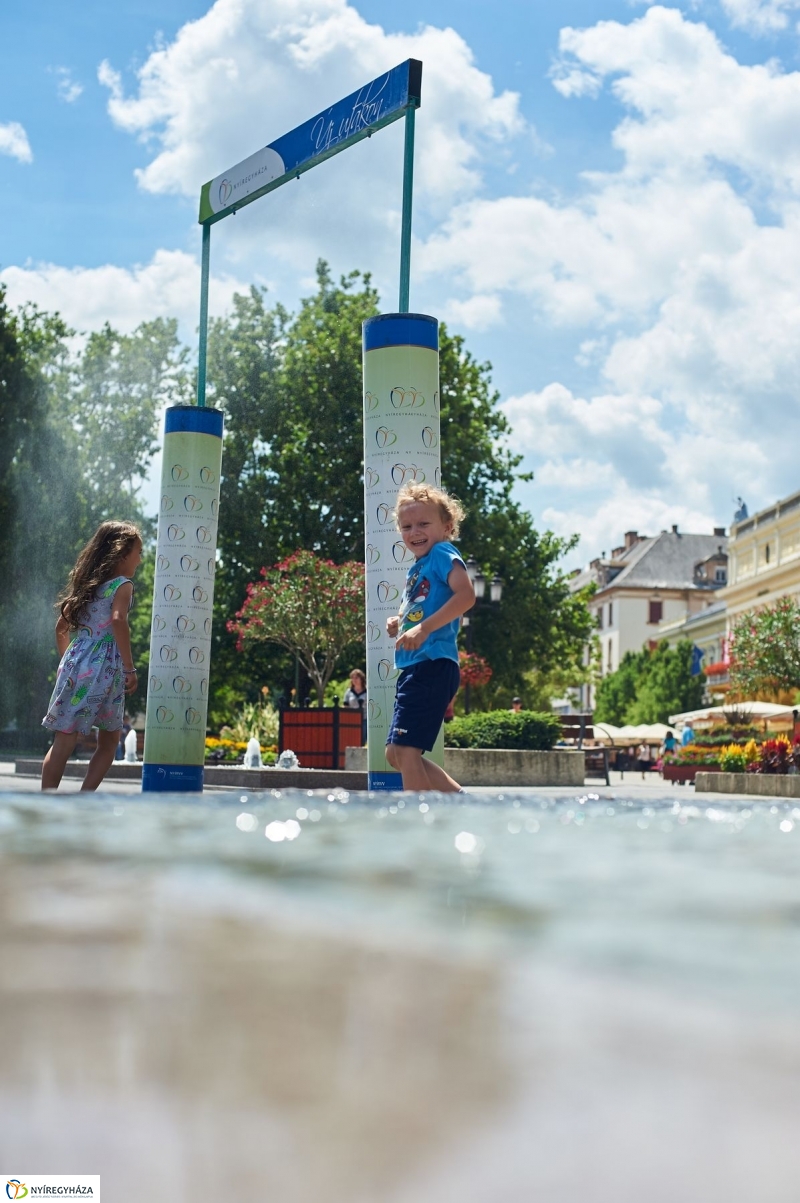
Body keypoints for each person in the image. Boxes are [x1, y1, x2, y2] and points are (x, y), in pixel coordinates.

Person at [385, 483, 475, 792]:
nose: (414, 531)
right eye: (407, 526)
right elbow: (428, 605)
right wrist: (403, 622)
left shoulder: (442, 552)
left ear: (447, 527)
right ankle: (459, 800)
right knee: (394, 753)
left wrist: (423, 629)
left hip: (432, 665)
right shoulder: (418, 567)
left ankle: (419, 825)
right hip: (417, 668)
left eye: (424, 523)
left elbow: (466, 596)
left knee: (407, 752)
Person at [41, 521, 142, 791]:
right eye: (138, 553)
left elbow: (61, 628)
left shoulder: (87, 585)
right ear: (123, 555)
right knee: (109, 742)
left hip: (76, 663)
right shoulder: (123, 585)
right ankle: (84, 798)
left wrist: (67, 661)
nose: (140, 559)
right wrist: (130, 669)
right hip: (107, 669)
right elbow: (118, 621)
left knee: (64, 740)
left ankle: (45, 799)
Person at [343, 668, 367, 741]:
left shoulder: (367, 691)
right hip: (352, 719)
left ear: (361, 679)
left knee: (363, 739)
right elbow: (345, 706)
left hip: (364, 719)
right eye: (352, 678)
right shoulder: (349, 692)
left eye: (356, 677)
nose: (354, 680)